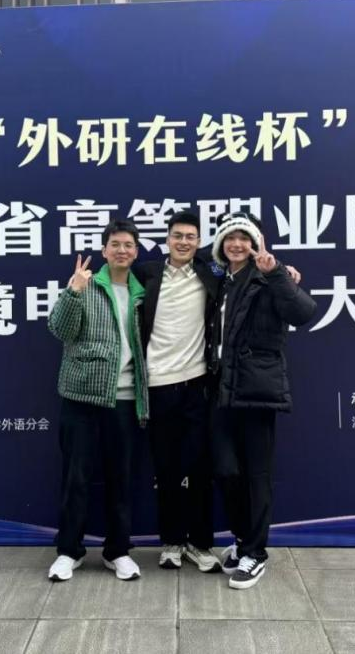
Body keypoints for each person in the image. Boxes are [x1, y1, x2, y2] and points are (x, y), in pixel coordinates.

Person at [208, 211, 317, 590]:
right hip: (221, 390)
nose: (237, 244)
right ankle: (243, 540)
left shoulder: (269, 276)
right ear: (220, 244)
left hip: (257, 390)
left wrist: (278, 274)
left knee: (257, 476)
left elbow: (303, 313)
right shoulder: (221, 281)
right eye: (230, 238)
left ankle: (255, 553)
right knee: (226, 470)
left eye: (244, 238)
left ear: (256, 243)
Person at [46, 219, 148, 582]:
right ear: (104, 250)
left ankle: (117, 551)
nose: (122, 250)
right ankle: (68, 551)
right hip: (83, 399)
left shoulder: (143, 292)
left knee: (121, 480)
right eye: (115, 244)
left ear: (136, 251)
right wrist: (73, 291)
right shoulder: (86, 285)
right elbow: (60, 329)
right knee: (76, 478)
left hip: (125, 400)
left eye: (128, 245)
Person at [133, 210, 222, 573]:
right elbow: (116, 285)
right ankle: (171, 542)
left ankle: (200, 544)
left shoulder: (210, 275)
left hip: (197, 384)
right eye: (177, 236)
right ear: (167, 239)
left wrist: (282, 271)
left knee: (200, 469)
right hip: (157, 384)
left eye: (190, 237)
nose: (183, 242)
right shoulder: (146, 273)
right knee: (166, 469)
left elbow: (247, 273)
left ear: (199, 242)